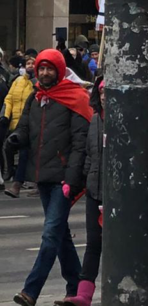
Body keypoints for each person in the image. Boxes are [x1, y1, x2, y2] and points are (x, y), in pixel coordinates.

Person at [6, 49, 92, 306]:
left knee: (50, 235)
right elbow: (25, 128)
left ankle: (30, 292)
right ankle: (75, 286)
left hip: (64, 179)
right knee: (60, 234)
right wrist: (15, 140)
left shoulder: (75, 97)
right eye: (41, 68)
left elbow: (80, 143)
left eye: (49, 68)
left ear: (60, 70)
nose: (44, 73)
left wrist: (72, 179)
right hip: (43, 176)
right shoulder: (36, 97)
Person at [56, 81, 106, 306]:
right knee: (94, 243)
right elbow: (88, 155)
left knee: (118, 244)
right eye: (102, 92)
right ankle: (84, 295)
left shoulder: (128, 120)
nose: (105, 96)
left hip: (119, 194)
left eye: (109, 92)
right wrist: (78, 185)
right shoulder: (95, 119)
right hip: (96, 190)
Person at [3, 55, 37, 198]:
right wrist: (5, 115)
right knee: (8, 147)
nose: (30, 66)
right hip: (17, 124)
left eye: (33, 63)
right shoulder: (17, 81)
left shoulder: (36, 83)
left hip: (32, 125)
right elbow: (9, 98)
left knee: (25, 153)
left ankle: (17, 184)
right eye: (28, 63)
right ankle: (11, 171)